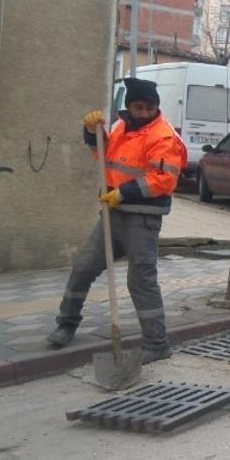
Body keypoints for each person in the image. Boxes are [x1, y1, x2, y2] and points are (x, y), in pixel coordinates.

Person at [47, 78, 187, 364]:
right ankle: (66, 324)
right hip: (113, 214)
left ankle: (157, 343)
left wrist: (121, 194)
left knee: (141, 281)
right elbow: (104, 157)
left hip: (142, 220)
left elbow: (163, 180)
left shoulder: (163, 136)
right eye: (139, 106)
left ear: (156, 106)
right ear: (129, 107)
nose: (145, 112)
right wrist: (91, 132)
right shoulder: (121, 127)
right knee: (83, 267)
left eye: (150, 107)